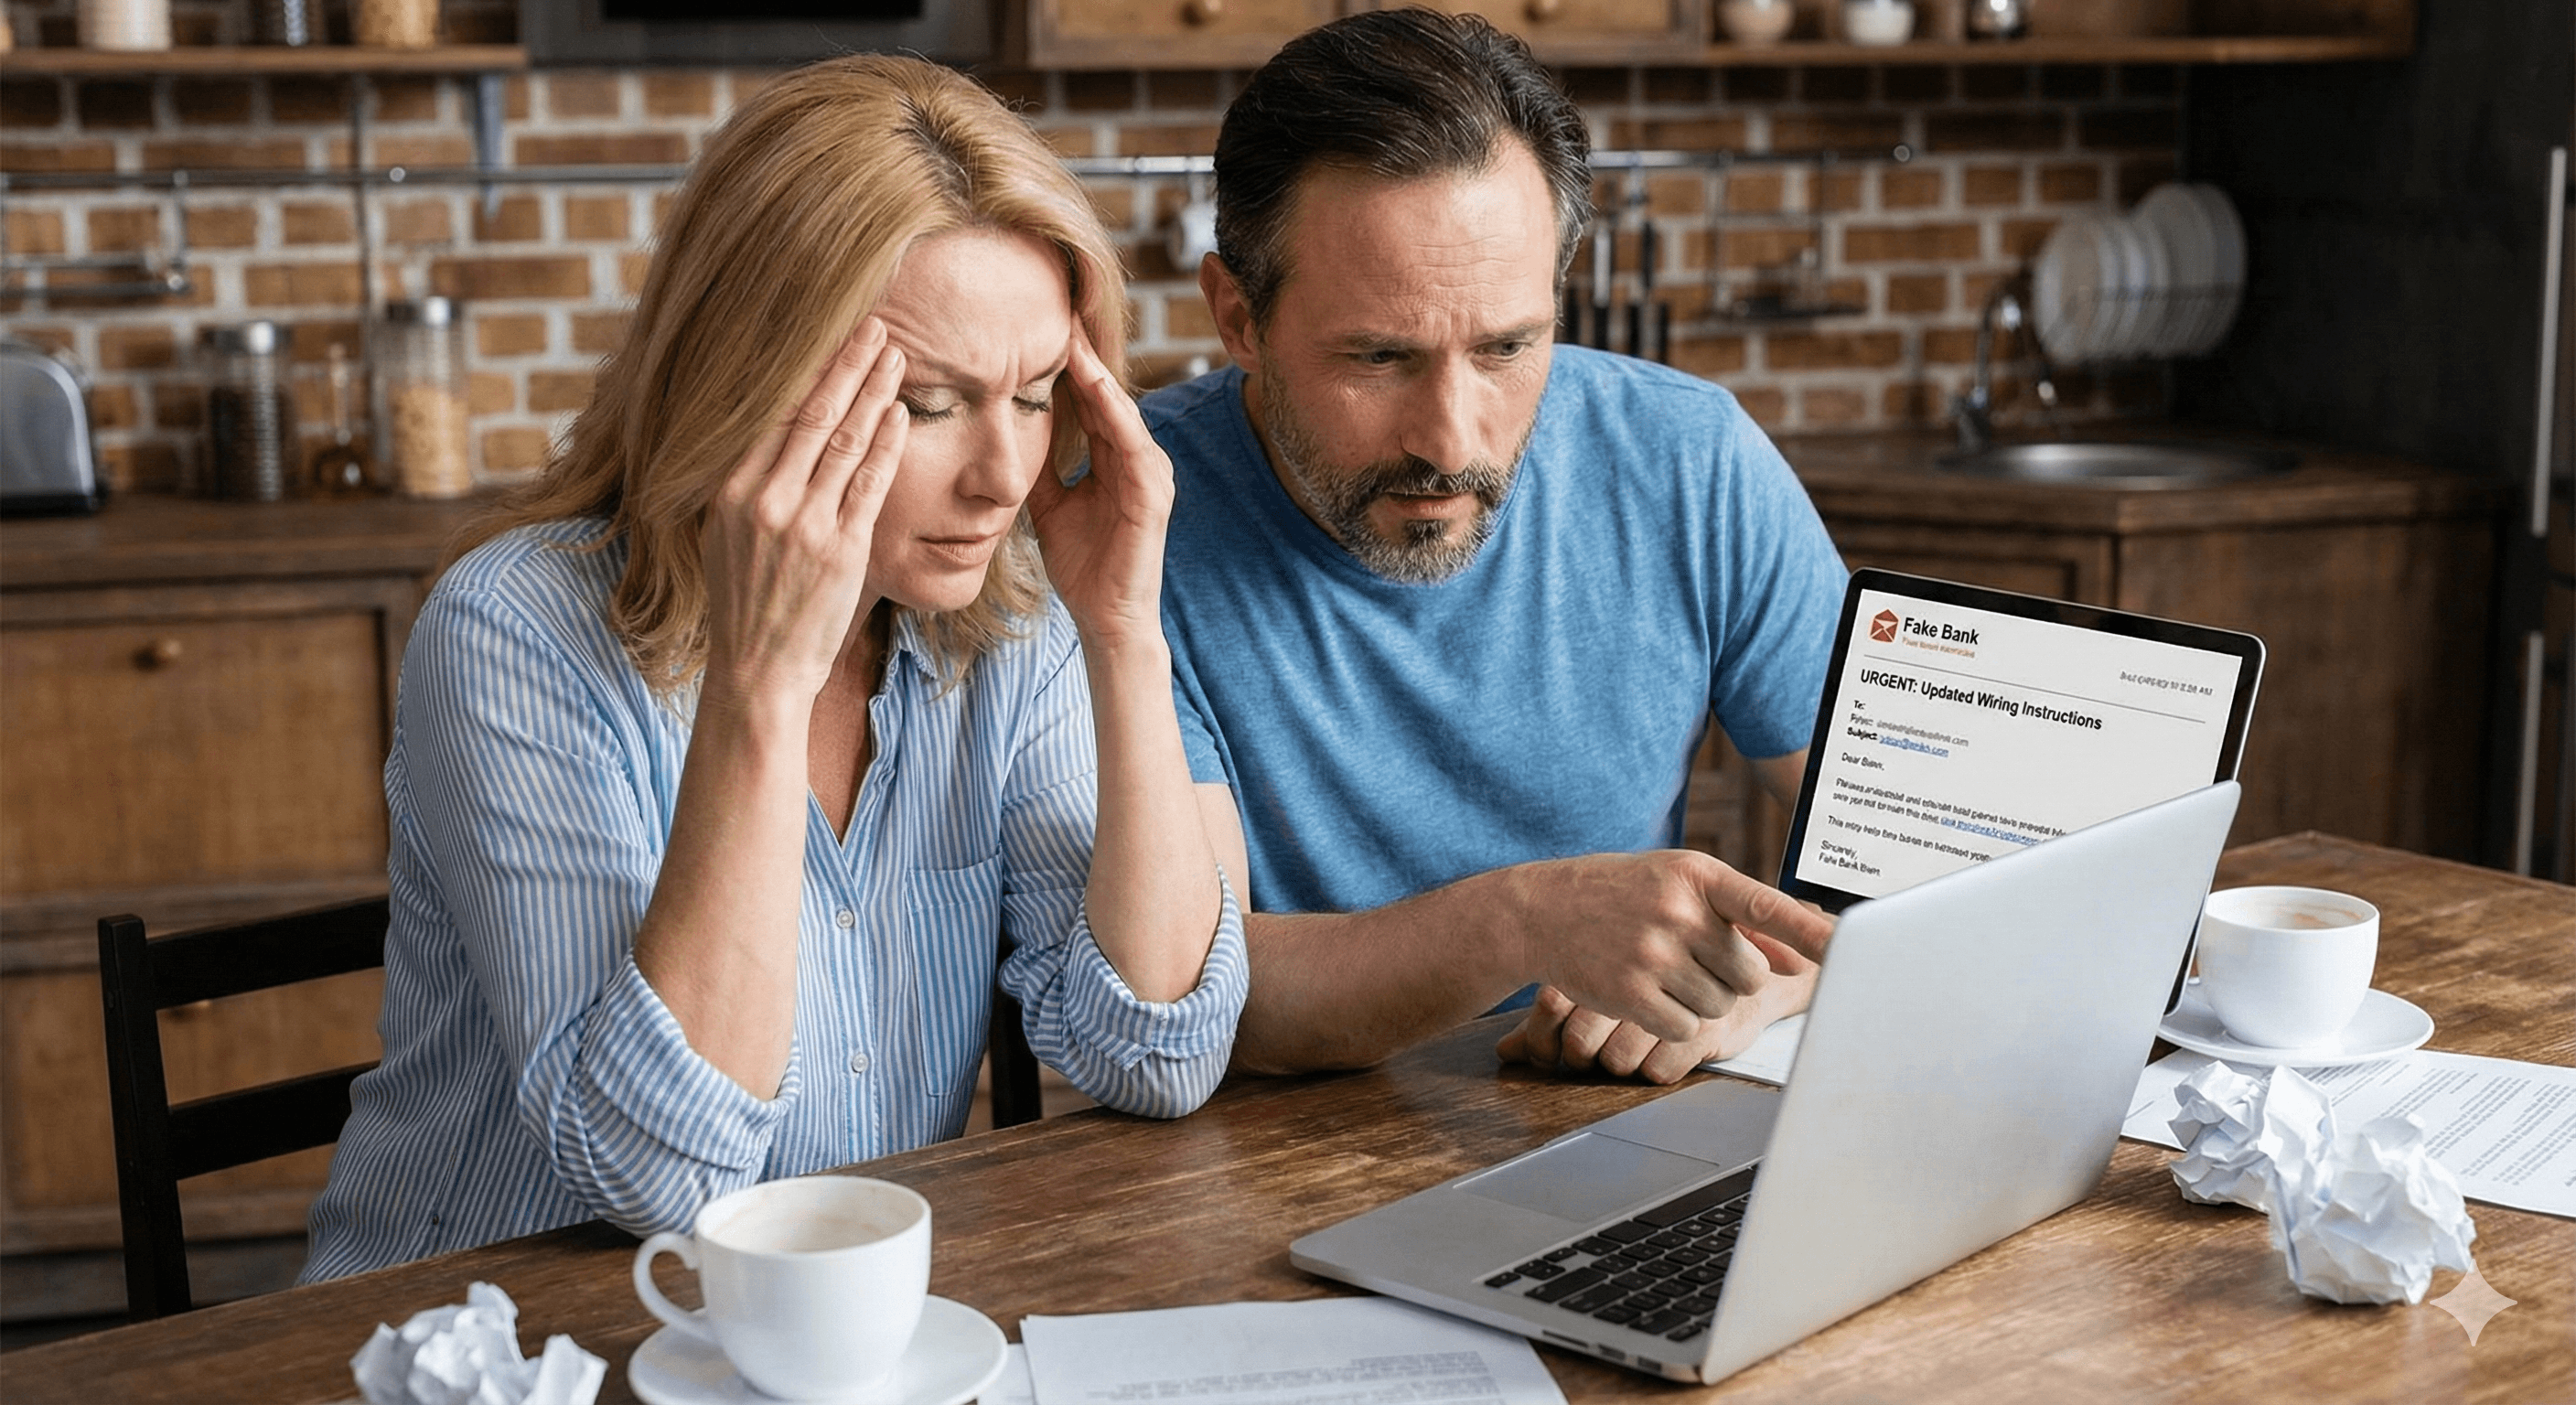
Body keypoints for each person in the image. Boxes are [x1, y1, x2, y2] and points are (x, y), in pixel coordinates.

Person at [302, 55, 1245, 1282]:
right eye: (926, 404)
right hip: (495, 1336)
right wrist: (758, 686)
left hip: (815, 1331)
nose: (1003, 475)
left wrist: (1124, 633)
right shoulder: (515, 631)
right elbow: (656, 1176)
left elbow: (1159, 1059)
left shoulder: (1010, 630)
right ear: (748, 379)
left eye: (1031, 396)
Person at [1145, 8, 1843, 1086]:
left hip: (1615, 1126)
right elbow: (1207, 995)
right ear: (1237, 318)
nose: (1452, 440)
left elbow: (1902, 873)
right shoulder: (1126, 521)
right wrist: (1526, 920)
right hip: (1265, 1158)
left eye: (1508, 347)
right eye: (1378, 358)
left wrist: (1754, 988)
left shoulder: (1688, 460)